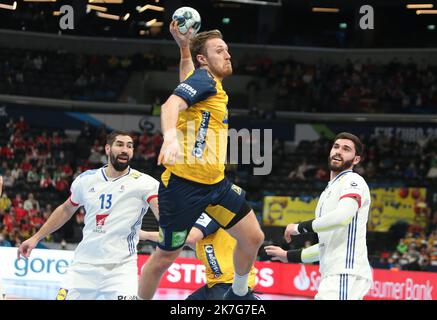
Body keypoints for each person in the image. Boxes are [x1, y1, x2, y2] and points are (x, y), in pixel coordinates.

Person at [138, 22, 264, 300]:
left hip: (215, 185)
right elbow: (171, 105)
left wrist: (184, 47)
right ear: (204, 60)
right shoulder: (205, 79)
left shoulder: (211, 86)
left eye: (228, 50)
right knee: (164, 257)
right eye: (220, 50)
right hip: (182, 187)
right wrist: (170, 137)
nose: (228, 55)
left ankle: (239, 293)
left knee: (253, 237)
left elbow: (186, 79)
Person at [18, 130, 160, 300]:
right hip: (83, 266)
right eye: (120, 144)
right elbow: (66, 209)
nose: (125, 150)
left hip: (121, 269)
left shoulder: (145, 183)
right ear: (107, 149)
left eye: (129, 146)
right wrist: (36, 238)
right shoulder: (86, 180)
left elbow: (165, 216)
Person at [265, 132, 373, 300]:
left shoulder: (353, 181)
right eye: (336, 147)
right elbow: (325, 247)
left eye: (346, 149)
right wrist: (288, 256)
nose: (338, 151)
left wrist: (299, 228)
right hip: (333, 274)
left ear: (356, 159)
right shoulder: (327, 191)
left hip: (345, 271)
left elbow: (342, 217)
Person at [141, 213, 257, 300]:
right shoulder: (200, 223)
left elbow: (189, 238)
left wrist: (146, 235)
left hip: (229, 282)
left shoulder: (210, 213)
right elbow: (194, 244)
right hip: (215, 283)